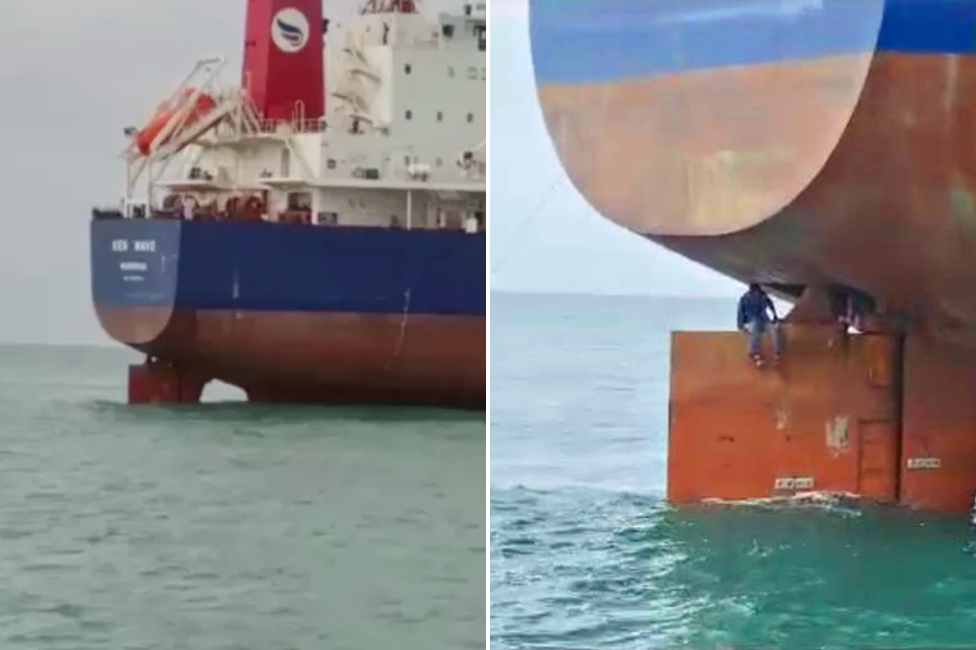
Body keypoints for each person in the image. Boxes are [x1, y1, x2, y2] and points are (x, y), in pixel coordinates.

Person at [737, 283, 782, 365]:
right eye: (755, 292)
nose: (757, 294)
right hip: (752, 320)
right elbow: (740, 312)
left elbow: (771, 306)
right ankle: (754, 353)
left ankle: (777, 352)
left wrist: (775, 318)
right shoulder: (745, 298)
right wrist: (741, 325)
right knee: (755, 332)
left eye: (758, 292)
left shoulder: (763, 296)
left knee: (773, 331)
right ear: (752, 291)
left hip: (764, 320)